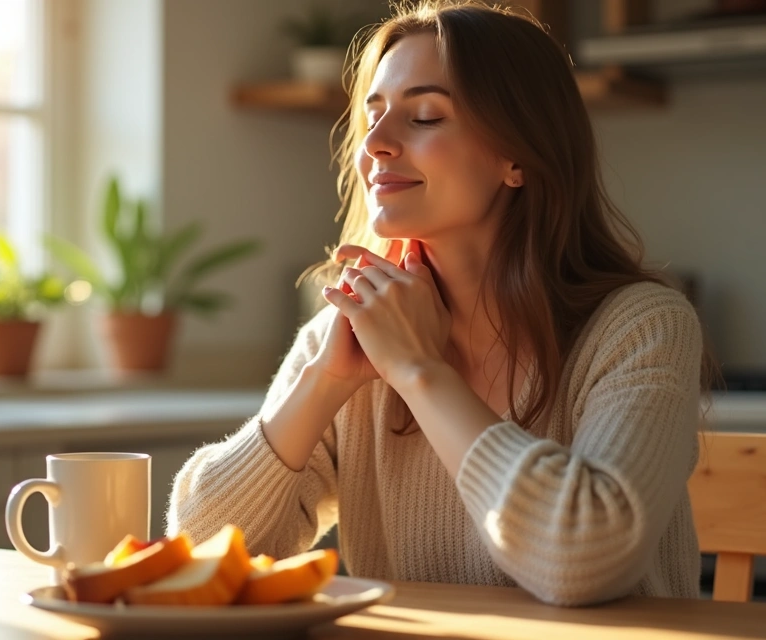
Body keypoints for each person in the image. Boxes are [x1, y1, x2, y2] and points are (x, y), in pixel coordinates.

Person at [167, 0, 711, 606]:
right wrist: (323, 381)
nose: (374, 143)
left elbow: (584, 559)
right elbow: (198, 552)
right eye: (371, 118)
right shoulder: (348, 332)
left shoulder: (642, 328)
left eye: (424, 117)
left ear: (518, 156)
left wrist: (419, 371)